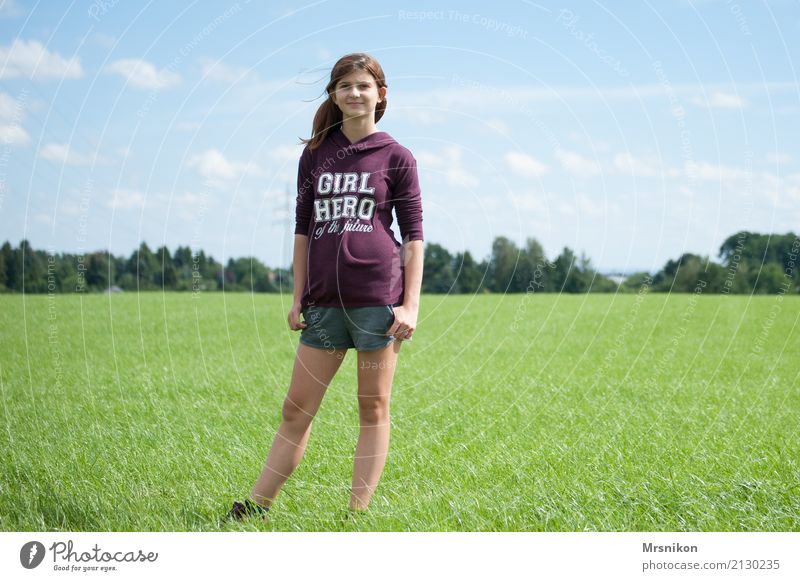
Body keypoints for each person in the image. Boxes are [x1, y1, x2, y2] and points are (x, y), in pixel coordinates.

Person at [227, 53, 424, 522]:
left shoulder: (397, 156)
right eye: (344, 87)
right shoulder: (316, 153)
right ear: (334, 95)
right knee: (296, 408)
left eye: (363, 86)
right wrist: (297, 296)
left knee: (372, 408)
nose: (354, 94)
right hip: (323, 304)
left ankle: (355, 516)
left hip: (378, 302)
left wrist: (411, 305)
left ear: (381, 94)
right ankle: (255, 507)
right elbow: (302, 228)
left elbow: (413, 236)